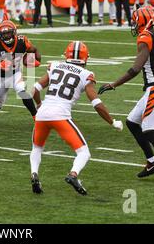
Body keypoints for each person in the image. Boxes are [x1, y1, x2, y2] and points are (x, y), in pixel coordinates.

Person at [98, 6, 154, 186]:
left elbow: (136, 69)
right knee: (132, 121)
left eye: (135, 20)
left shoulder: (145, 37)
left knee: (149, 130)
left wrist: (113, 84)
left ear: (142, 21)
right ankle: (152, 163)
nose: (134, 24)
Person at [29, 41, 123, 195]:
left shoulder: (55, 66)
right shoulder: (86, 74)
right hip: (61, 116)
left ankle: (34, 173)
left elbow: (34, 89)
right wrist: (112, 122)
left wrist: (39, 104)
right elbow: (97, 103)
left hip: (42, 114)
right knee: (84, 152)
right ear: (86, 58)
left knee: (37, 148)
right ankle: (73, 175)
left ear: (66, 55)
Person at [0, 20, 40, 126]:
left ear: (14, 32)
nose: (6, 36)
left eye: (8, 33)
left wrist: (37, 60)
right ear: (0, 35)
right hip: (1, 77)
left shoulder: (22, 41)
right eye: (4, 34)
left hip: (15, 73)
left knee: (23, 92)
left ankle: (36, 117)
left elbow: (33, 49)